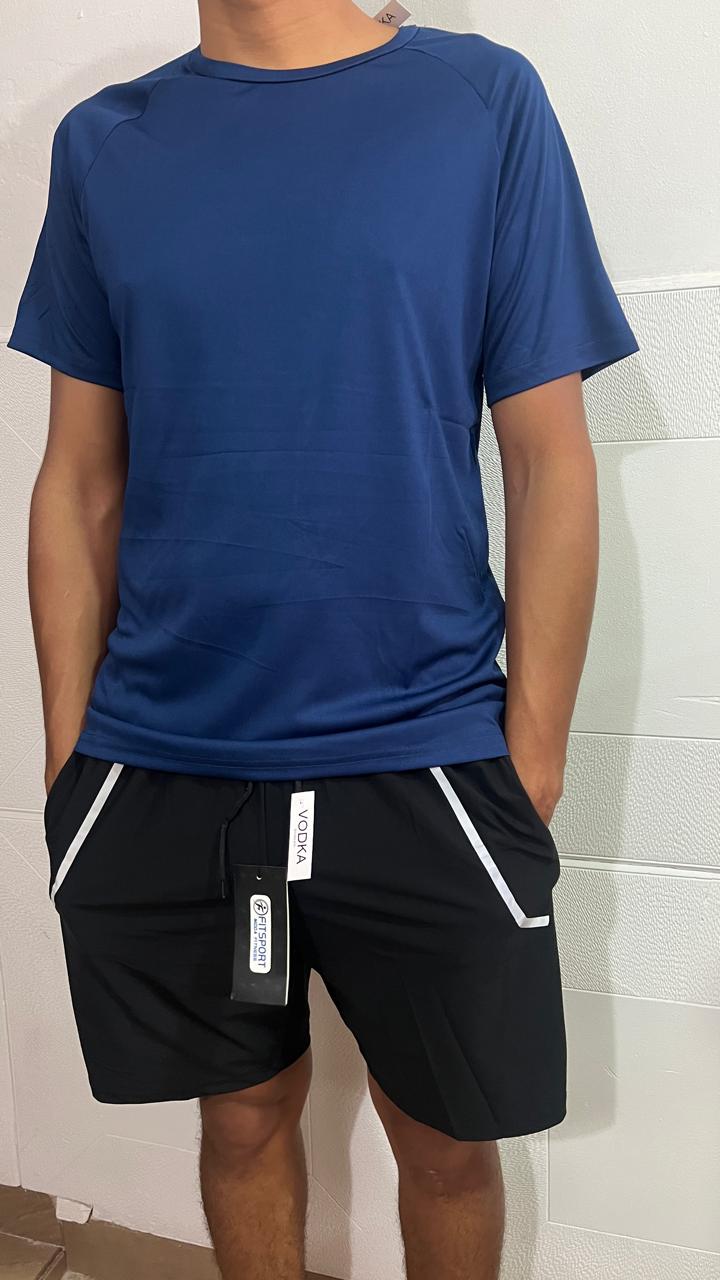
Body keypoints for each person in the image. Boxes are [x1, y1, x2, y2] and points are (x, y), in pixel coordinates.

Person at [7, 1, 639, 1277]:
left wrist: (530, 757)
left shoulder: (479, 104)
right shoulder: (105, 144)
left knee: (447, 1142)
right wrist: (70, 751)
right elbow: (79, 477)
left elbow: (547, 456)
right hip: (165, 756)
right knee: (240, 1115)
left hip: (427, 746)